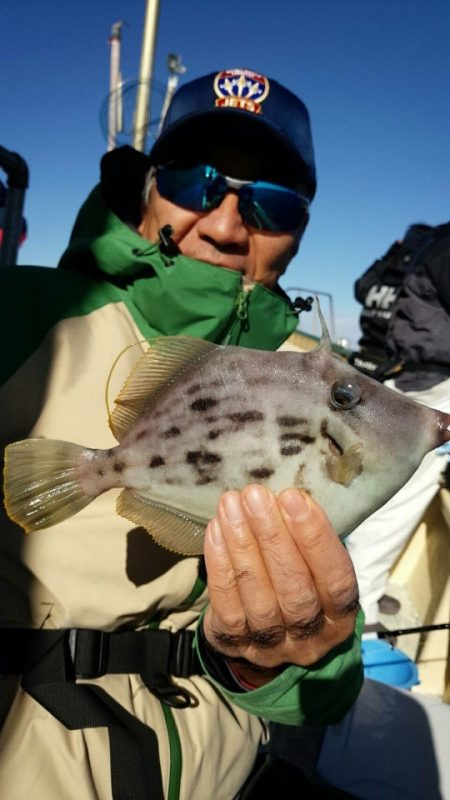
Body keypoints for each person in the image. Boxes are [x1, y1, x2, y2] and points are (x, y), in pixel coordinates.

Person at [0, 68, 363, 799]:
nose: (227, 224)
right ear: (147, 187)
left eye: (271, 201)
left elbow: (319, 690)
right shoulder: (23, 313)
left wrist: (289, 659)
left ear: (299, 232)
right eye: (198, 183)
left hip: (219, 774)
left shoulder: (324, 382)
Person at [345, 221, 450, 628]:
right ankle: (359, 615)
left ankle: (360, 587)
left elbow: (360, 288)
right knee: (395, 505)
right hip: (431, 388)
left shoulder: (404, 257)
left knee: (371, 492)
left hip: (387, 376)